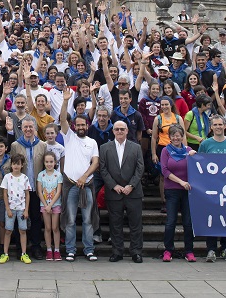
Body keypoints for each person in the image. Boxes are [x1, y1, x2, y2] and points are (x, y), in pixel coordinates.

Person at [58, 88, 99, 262]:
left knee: (88, 220)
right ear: (74, 126)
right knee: (70, 220)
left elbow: (95, 162)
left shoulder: (92, 142)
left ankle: (89, 249)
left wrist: (84, 177)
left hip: (87, 185)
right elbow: (62, 119)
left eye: (83, 125)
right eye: (78, 125)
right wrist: (66, 100)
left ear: (87, 126)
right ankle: (70, 250)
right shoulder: (69, 137)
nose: (81, 127)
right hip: (71, 185)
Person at [99, 119, 145, 263]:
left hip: (133, 192)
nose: (119, 131)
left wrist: (131, 185)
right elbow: (103, 169)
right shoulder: (105, 148)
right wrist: (114, 186)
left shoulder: (136, 147)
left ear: (127, 131)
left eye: (122, 129)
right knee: (115, 224)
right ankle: (117, 252)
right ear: (113, 131)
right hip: (114, 192)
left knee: (136, 224)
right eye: (117, 129)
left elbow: (140, 168)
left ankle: (136, 252)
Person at [199, 116, 226, 261]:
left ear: (225, 126)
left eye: (220, 124)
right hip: (211, 188)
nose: (217, 127)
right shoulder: (205, 144)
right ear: (211, 127)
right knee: (211, 219)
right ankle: (211, 249)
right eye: (215, 124)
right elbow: (200, 165)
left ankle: (225, 248)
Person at [10, 116, 47, 256]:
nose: (28, 129)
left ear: (35, 128)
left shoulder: (42, 145)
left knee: (36, 218)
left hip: (36, 188)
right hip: (21, 189)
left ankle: (36, 246)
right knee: (20, 217)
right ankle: (20, 247)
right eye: (25, 127)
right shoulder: (15, 145)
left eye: (31, 127)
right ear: (21, 128)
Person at [159, 125, 196, 263]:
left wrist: (195, 155)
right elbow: (165, 171)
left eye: (178, 135)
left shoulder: (189, 151)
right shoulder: (165, 151)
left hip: (188, 191)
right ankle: (168, 250)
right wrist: (181, 182)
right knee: (170, 222)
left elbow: (198, 166)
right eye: (173, 135)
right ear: (170, 137)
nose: (176, 137)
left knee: (188, 222)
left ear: (183, 136)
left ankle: (189, 251)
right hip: (172, 190)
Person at [0, 153, 32, 264]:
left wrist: (26, 210)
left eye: (18, 164)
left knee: (22, 230)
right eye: (14, 164)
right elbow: (4, 194)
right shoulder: (7, 177)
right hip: (11, 208)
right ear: (11, 165)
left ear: (22, 165)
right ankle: (5, 253)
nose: (16, 166)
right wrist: (7, 208)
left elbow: (27, 194)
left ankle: (24, 253)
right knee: (8, 230)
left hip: (22, 209)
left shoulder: (25, 178)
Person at [37, 152, 63, 261]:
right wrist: (46, 205)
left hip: (55, 204)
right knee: (47, 228)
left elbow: (58, 191)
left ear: (55, 162)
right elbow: (39, 191)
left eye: (51, 162)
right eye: (47, 162)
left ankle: (56, 250)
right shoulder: (41, 175)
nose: (49, 164)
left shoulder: (58, 175)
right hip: (44, 205)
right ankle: (48, 249)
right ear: (44, 163)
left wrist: (51, 204)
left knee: (55, 227)